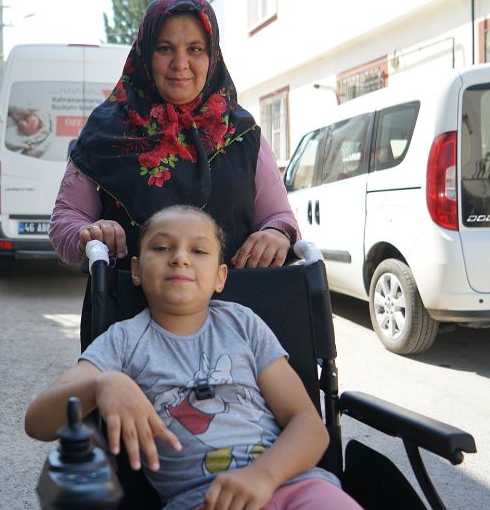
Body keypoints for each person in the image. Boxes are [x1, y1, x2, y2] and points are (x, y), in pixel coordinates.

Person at [26, 206, 360, 510]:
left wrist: (263, 476)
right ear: (137, 271)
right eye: (161, 247)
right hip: (201, 500)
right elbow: (38, 422)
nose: (180, 258)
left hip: (294, 486)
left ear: (220, 277)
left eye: (199, 250)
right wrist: (102, 384)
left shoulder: (243, 324)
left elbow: (310, 427)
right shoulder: (122, 340)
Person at [48, 0, 300, 350]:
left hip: (234, 328)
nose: (180, 63)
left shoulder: (242, 134)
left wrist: (276, 233)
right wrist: (88, 233)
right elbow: (64, 222)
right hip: (129, 328)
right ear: (145, 52)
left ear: (212, 56)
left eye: (195, 49)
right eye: (165, 48)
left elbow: (279, 216)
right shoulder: (105, 134)